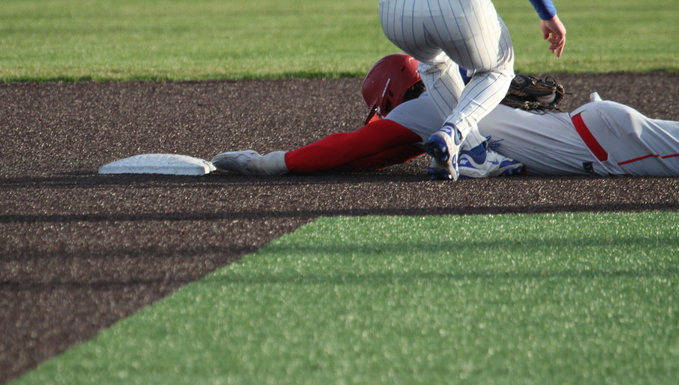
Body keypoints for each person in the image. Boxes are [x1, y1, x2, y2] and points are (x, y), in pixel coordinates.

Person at [211, 55, 679, 178]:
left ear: (394, 93)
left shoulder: (424, 107)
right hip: (593, 128)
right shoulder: (463, 79)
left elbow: (351, 148)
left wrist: (268, 161)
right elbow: (379, 156)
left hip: (601, 148)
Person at [378, 0, 567, 180]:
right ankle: (453, 131)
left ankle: (475, 152)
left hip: (394, 15)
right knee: (498, 69)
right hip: (455, 9)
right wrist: (549, 15)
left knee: (434, 64)